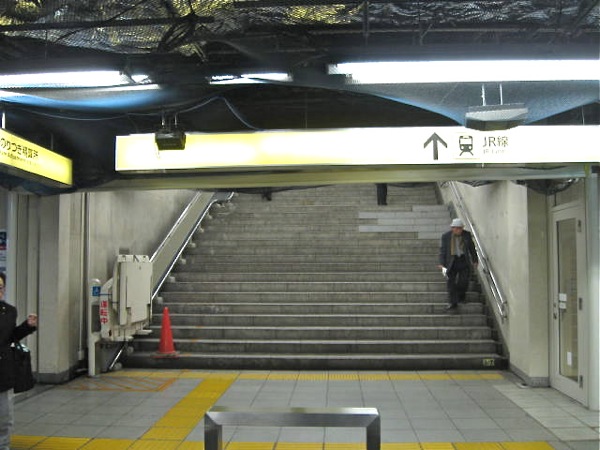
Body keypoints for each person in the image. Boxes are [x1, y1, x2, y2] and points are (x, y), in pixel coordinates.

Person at [0, 273, 37, 450]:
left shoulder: (9, 311)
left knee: (4, 415)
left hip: (3, 370)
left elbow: (11, 337)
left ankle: (4, 445)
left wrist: (27, 327)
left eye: (0, 288)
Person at [437, 218, 478, 311]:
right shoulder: (446, 236)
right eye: (456, 228)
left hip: (463, 260)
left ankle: (461, 296)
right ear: (452, 228)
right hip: (452, 261)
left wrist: (475, 260)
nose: (459, 230)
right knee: (450, 283)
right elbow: (443, 250)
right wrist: (441, 263)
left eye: (460, 228)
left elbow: (472, 248)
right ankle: (452, 302)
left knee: (463, 281)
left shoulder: (467, 235)